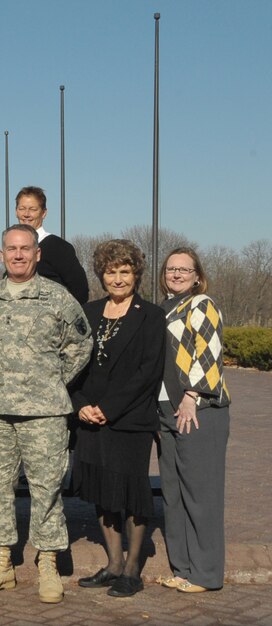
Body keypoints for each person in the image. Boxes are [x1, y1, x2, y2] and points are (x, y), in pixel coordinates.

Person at [0, 224, 91, 604]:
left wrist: (51, 379)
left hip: (45, 412)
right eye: (11, 249)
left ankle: (48, 562)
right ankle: (2, 562)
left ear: (37, 254)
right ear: (1, 255)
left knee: (47, 487)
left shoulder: (58, 297)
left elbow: (81, 343)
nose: (18, 255)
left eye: (25, 248)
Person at [70, 240, 165, 598]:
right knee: (101, 491)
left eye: (125, 271)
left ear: (136, 273)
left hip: (129, 420)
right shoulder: (89, 312)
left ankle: (131, 569)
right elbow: (73, 365)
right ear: (102, 274)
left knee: (131, 493)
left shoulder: (151, 316)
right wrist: (80, 404)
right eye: (112, 271)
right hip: (89, 419)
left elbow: (147, 372)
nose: (119, 278)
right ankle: (112, 564)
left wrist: (108, 408)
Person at [157, 247, 230, 594]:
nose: (176, 274)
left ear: (197, 275)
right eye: (171, 268)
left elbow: (208, 352)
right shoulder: (161, 309)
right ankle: (182, 568)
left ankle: (206, 574)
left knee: (202, 495)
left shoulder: (203, 304)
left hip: (197, 411)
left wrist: (192, 395)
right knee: (173, 494)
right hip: (166, 412)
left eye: (184, 269)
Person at [14, 186, 89, 304]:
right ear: (16, 211)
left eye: (33, 209)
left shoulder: (59, 248)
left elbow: (80, 292)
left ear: (44, 213)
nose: (26, 214)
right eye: (22, 208)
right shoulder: (11, 248)